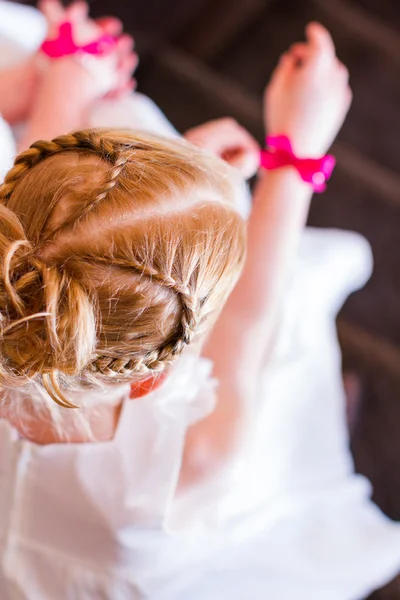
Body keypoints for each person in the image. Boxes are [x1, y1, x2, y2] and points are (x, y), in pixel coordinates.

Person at [0, 2, 399, 599]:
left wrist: (70, 79)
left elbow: (33, 225)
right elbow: (250, 321)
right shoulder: (199, 455)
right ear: (151, 379)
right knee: (284, 363)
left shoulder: (16, 275)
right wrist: (294, 156)